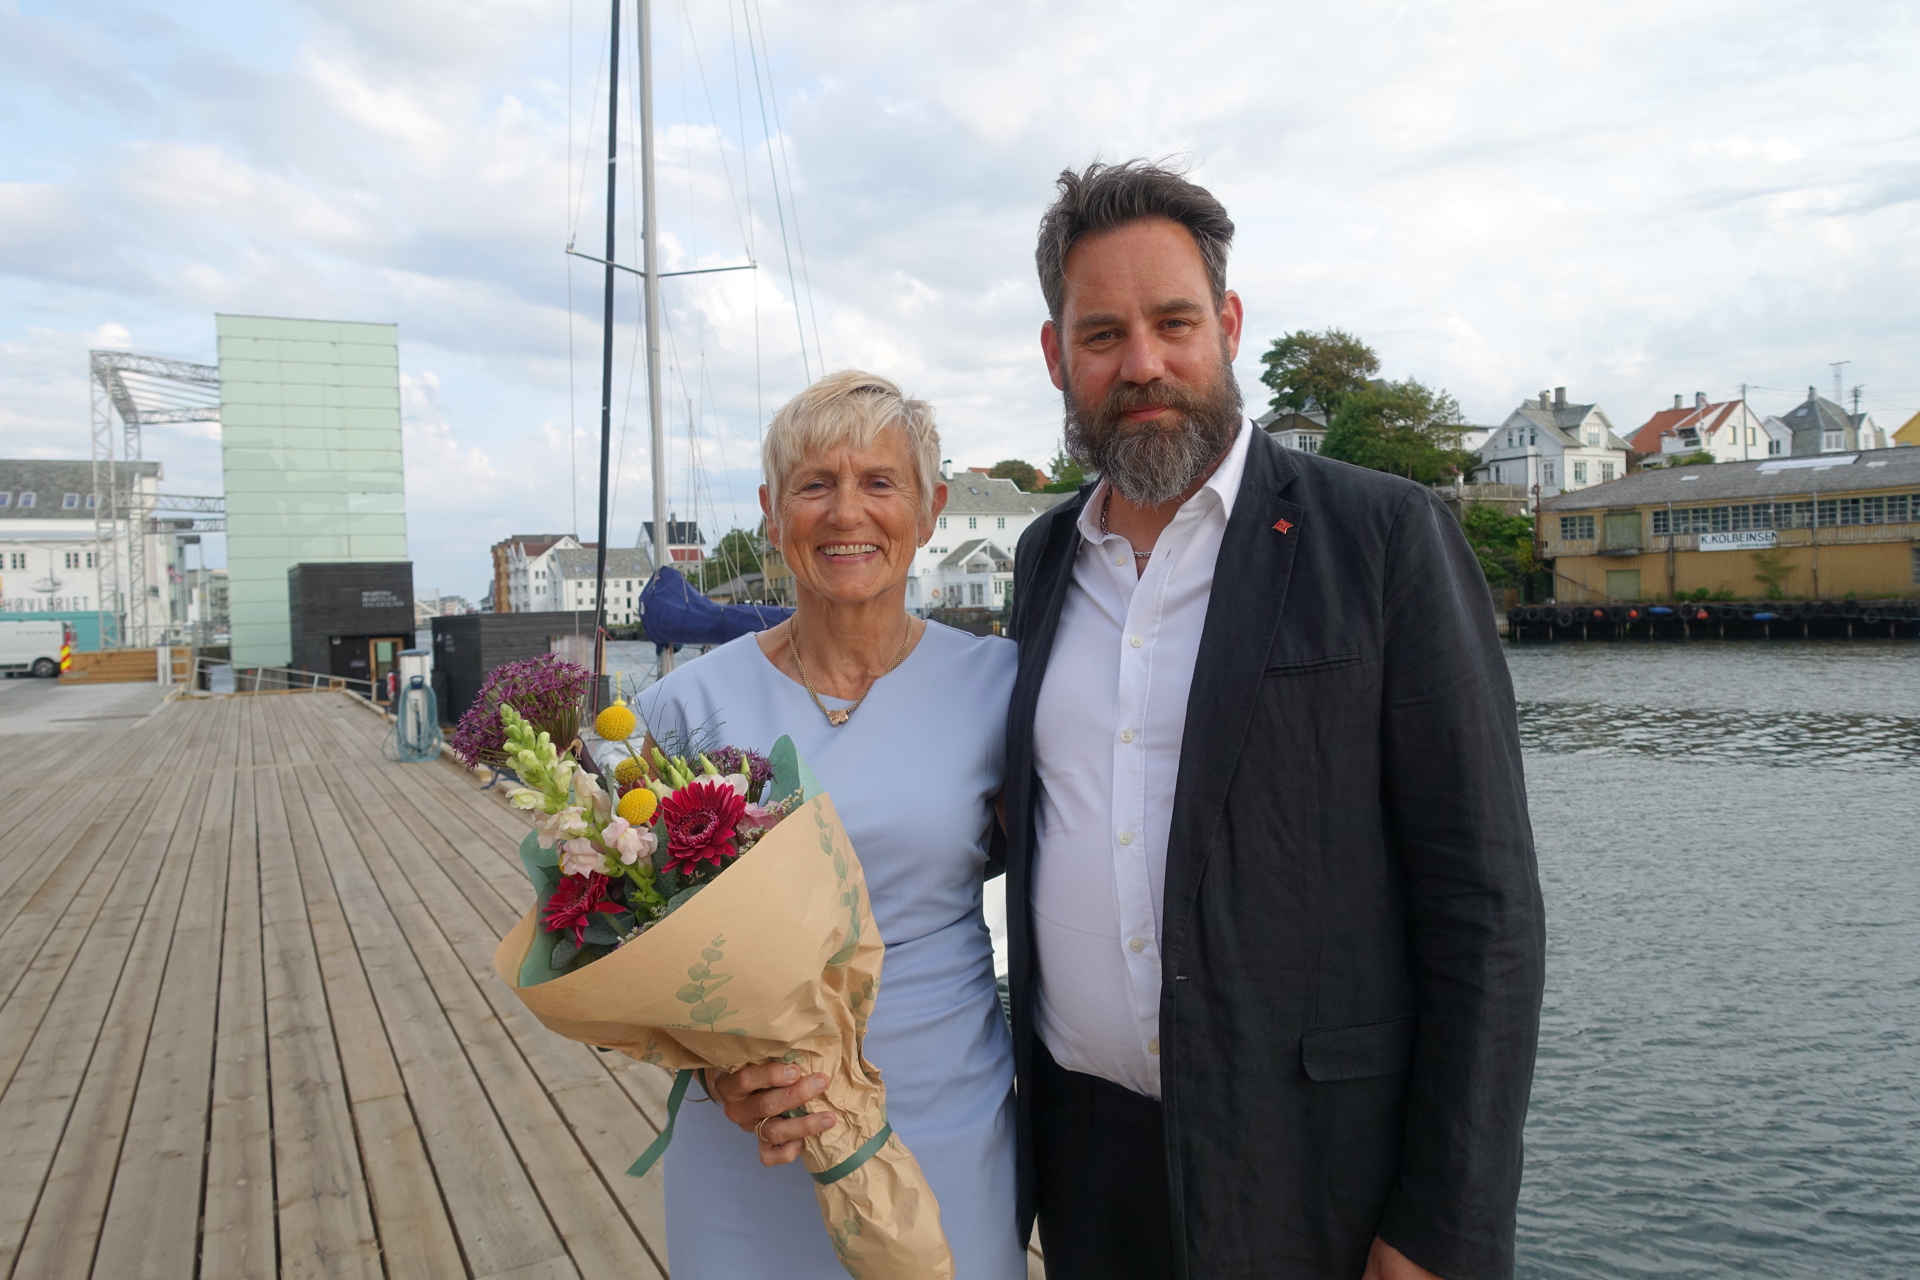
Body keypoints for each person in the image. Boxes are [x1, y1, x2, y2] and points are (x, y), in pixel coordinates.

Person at [1003, 161, 1547, 1279]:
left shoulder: (1384, 538)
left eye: (1173, 322)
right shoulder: (1044, 557)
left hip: (1316, 1170)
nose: (1142, 364)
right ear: (1058, 355)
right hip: (1087, 1159)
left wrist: (1444, 1221)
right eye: (1102, 333)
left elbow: (1484, 902)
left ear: (1230, 325)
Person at [639, 370, 1026, 1279]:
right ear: (775, 514)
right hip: (750, 1128)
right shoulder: (680, 708)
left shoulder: (1000, 686)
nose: (846, 512)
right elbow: (621, 930)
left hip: (942, 1109)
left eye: (880, 483)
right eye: (815, 485)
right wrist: (717, 1071)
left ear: (930, 511)